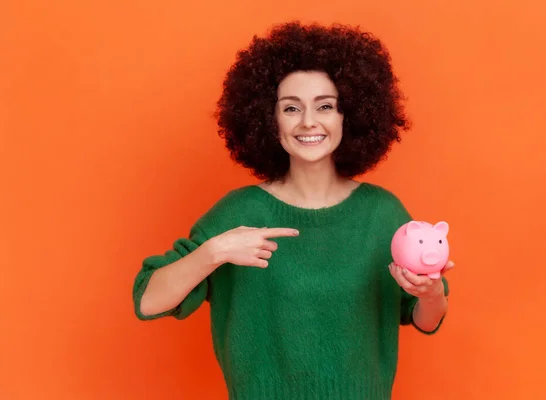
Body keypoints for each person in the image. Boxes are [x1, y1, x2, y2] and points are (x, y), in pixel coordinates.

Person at [133, 20, 454, 400]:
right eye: (290, 108)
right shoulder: (239, 212)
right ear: (269, 120)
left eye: (325, 106)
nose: (308, 122)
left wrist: (431, 293)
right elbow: (147, 300)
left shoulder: (382, 214)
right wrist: (214, 252)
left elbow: (424, 319)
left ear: (347, 116)